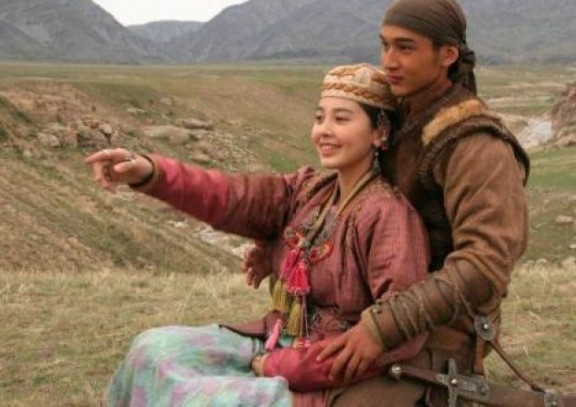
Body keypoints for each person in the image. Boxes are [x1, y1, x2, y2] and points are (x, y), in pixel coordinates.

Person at [86, 63, 431, 407]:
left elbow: (398, 332)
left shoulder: (388, 215)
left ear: (379, 131)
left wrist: (282, 366)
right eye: (319, 118)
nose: (324, 130)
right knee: (151, 348)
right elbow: (230, 196)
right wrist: (149, 173)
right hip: (275, 338)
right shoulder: (309, 190)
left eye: (341, 119)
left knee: (201, 401)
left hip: (322, 372)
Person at [310, 0, 531, 405]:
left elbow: (484, 267)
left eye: (405, 48)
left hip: (441, 335)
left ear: (447, 55)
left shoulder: (477, 147)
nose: (388, 61)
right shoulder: (397, 118)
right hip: (368, 309)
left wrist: (383, 327)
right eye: (385, 45)